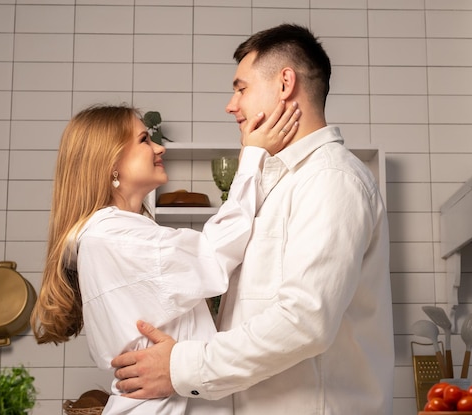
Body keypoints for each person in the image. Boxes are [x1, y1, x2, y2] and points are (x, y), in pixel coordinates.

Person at [111, 24, 394, 415]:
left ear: (284, 84)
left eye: (241, 88)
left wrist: (180, 366)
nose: (231, 104)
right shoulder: (281, 183)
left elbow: (305, 321)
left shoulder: (331, 178)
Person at [30, 102, 300, 414]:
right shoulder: (115, 237)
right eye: (144, 140)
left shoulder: (112, 234)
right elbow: (213, 256)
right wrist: (252, 157)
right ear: (110, 162)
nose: (159, 148)